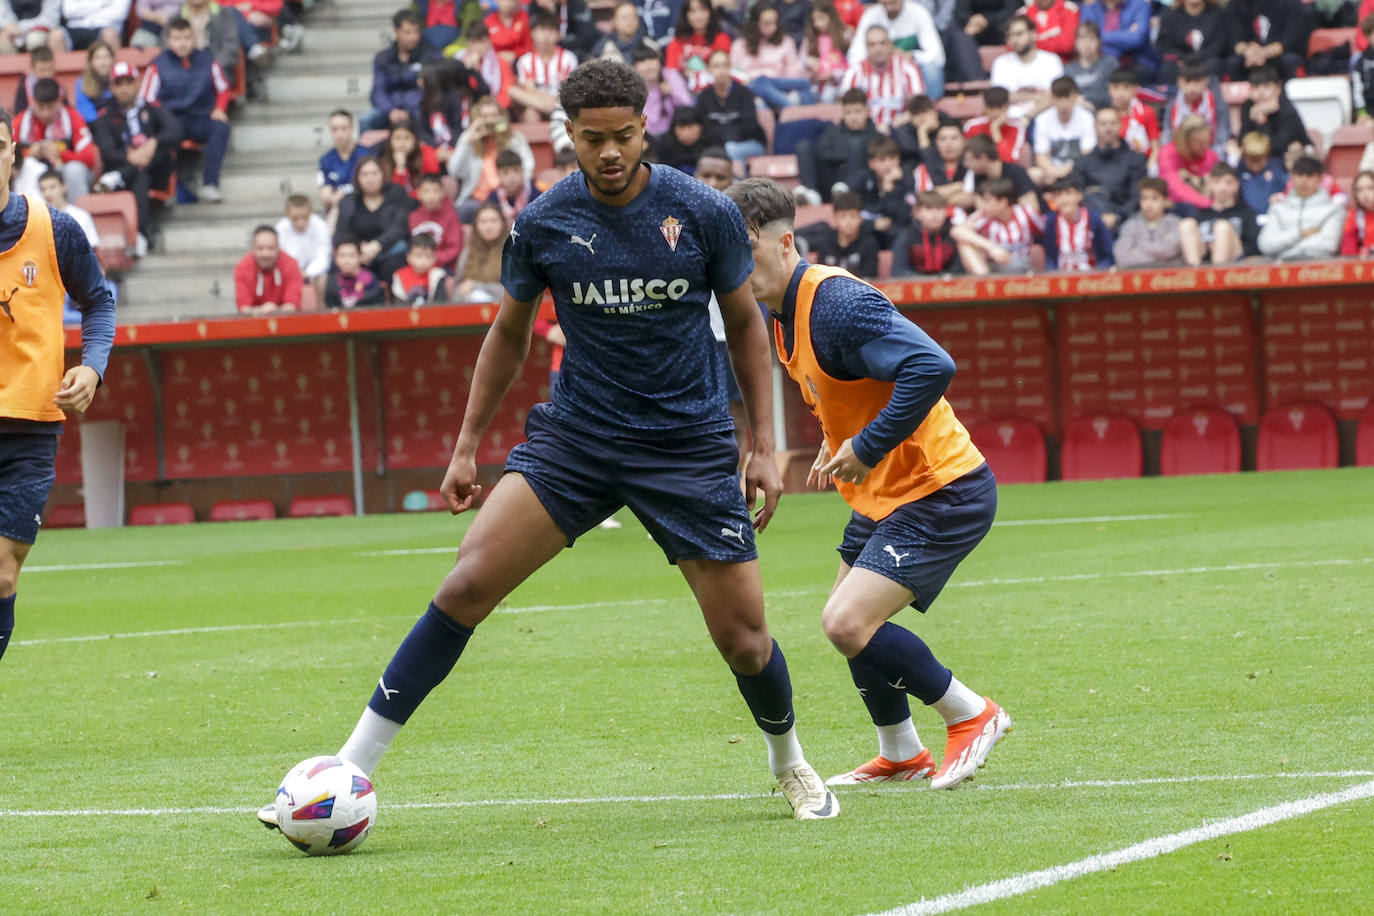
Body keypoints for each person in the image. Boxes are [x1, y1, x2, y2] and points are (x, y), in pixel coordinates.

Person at [255, 59, 840, 826]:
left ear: (644, 129)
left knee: (745, 641)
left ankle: (790, 763)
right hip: (578, 438)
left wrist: (764, 443)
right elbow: (508, 335)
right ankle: (344, 771)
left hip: (685, 443)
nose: (609, 152)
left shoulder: (704, 213)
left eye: (623, 137)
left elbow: (742, 327)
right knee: (464, 586)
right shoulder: (542, 222)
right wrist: (467, 445)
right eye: (592, 138)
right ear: (567, 133)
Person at [724, 176, 1009, 791]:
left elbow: (932, 365)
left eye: (743, 249)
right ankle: (901, 751)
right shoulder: (782, 312)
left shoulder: (833, 303)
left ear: (784, 243)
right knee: (847, 624)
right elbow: (856, 383)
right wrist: (838, 434)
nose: (732, 265)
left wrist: (868, 444)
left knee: (846, 623)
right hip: (888, 494)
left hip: (939, 488)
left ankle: (971, 713)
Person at [0, 105, 116, 665]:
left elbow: (98, 300)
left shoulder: (55, 228)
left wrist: (92, 366)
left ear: (12, 153)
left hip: (29, 428)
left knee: (2, 572)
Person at [139, 16, 231, 204]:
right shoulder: (158, 64)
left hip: (199, 117)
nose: (183, 43)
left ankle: (209, 185)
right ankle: (167, 189)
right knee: (161, 134)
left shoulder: (208, 59)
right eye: (177, 38)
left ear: (194, 38)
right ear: (168, 41)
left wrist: (220, 109)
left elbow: (223, 88)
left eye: (187, 38)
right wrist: (162, 118)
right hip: (171, 120)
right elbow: (147, 98)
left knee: (221, 127)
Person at [90, 61, 179, 251]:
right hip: (132, 173)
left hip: (156, 170)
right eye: (119, 84)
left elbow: (175, 130)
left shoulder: (151, 108)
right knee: (139, 175)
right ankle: (141, 234)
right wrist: (130, 158)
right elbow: (107, 150)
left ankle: (119, 176)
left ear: (137, 84)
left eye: (128, 83)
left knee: (163, 149)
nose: (124, 89)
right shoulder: (105, 115)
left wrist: (153, 143)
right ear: (112, 87)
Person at [447, 95, 535, 221]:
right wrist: (468, 142)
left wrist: (504, 136)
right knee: (461, 212)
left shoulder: (515, 138)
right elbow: (455, 172)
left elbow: (528, 167)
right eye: (485, 117)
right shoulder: (469, 139)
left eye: (494, 116)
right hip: (479, 201)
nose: (490, 121)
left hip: (510, 197)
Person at [334, 155, 417, 284]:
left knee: (395, 264)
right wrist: (359, 250)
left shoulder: (397, 192)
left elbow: (399, 227)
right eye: (365, 174)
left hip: (390, 250)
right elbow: (341, 233)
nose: (370, 178)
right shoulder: (348, 200)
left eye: (374, 173)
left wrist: (377, 245)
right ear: (357, 178)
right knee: (344, 265)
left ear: (382, 175)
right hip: (360, 256)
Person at [14, 77, 96, 200]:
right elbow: (6, 157)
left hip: (64, 174)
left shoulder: (72, 117)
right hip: (33, 177)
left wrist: (61, 154)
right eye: (41, 107)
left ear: (59, 102)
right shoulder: (21, 121)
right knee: (28, 166)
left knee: (75, 170)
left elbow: (90, 158)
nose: (46, 113)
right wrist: (28, 154)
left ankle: (77, 216)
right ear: (33, 102)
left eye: (50, 107)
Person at [846, 0, 943, 100]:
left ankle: (928, 108)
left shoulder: (919, 13)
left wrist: (910, 56)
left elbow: (937, 56)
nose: (889, 6)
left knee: (931, 70)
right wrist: (879, 54)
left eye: (892, 2)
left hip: (909, 70)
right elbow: (854, 55)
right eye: (886, 3)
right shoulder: (870, 15)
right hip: (877, 70)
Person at [731, 1, 815, 111]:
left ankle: (810, 116)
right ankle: (793, 111)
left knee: (804, 83)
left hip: (778, 83)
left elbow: (792, 72)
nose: (773, 27)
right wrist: (746, 79)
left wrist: (804, 66)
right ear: (755, 23)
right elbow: (735, 72)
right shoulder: (740, 44)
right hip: (752, 84)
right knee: (761, 83)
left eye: (775, 22)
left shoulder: (786, 41)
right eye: (767, 23)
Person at [952, 176, 1045, 274]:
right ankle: (983, 282)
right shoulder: (983, 216)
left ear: (1002, 202)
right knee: (965, 244)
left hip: (1022, 263)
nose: (981, 205)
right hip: (994, 265)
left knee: (1037, 250)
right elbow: (957, 231)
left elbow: (1045, 231)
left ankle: (1040, 284)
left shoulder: (1026, 213)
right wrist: (991, 247)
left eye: (987, 201)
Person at [1257, 156, 1344, 261]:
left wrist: (1288, 251)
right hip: (1281, 268)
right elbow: (1266, 245)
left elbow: (1329, 244)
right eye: (1299, 175)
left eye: (1309, 176)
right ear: (1291, 177)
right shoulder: (1278, 209)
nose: (1303, 181)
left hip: (1319, 268)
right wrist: (1300, 234)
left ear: (1320, 179)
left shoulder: (1333, 210)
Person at [1074, 105, 1146, 230]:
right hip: (1092, 221)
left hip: (1126, 221)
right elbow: (1078, 196)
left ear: (1120, 125)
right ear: (1095, 127)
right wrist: (1097, 217)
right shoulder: (1083, 162)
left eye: (1113, 123)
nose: (1108, 128)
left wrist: (1118, 216)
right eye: (1103, 124)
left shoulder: (1136, 159)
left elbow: (1137, 196)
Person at [839, 25, 927, 129]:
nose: (878, 49)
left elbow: (919, 108)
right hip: (865, 131)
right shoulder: (855, 71)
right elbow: (844, 107)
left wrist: (893, 125)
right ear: (866, 47)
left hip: (901, 130)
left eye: (882, 43)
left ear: (890, 45)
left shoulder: (908, 68)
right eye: (872, 44)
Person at [365, 9, 436, 132]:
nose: (413, 37)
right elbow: (378, 91)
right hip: (390, 109)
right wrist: (390, 110)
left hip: (418, 108)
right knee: (366, 120)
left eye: (416, 32)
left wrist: (410, 110)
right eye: (407, 32)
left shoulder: (430, 55)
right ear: (396, 31)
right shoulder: (383, 58)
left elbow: (433, 88)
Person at [1113, 177, 1203, 267]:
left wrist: (1139, 250)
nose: (1148, 204)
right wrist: (1158, 260)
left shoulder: (1176, 223)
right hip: (1140, 276)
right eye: (1144, 198)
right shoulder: (1131, 225)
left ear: (1165, 201)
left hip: (1173, 277)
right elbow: (1122, 256)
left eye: (1154, 198)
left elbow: (1169, 250)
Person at [697, 49, 768, 162]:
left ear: (730, 67)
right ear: (709, 69)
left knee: (730, 149)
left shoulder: (744, 93)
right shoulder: (704, 97)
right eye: (716, 66)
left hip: (750, 142)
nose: (721, 70)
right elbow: (705, 129)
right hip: (718, 145)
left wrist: (724, 134)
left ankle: (738, 180)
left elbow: (749, 126)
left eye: (725, 65)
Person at [842, 136, 914, 247]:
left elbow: (906, 217)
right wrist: (873, 224)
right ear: (871, 163)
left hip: (896, 233)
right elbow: (847, 211)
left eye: (892, 159)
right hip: (869, 232)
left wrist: (889, 190)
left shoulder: (907, 180)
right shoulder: (862, 179)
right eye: (882, 160)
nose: (888, 165)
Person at [989, 13, 1063, 120]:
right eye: (1010, 36)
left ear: (1033, 34)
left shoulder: (1051, 60)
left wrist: (1028, 116)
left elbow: (1055, 96)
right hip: (1011, 120)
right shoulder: (1001, 63)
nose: (1014, 40)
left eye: (1019, 34)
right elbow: (1001, 97)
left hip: (1045, 118)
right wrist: (1038, 97)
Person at [511, 12, 577, 121]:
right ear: (532, 33)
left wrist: (554, 103)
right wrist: (547, 105)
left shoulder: (568, 58)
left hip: (562, 104)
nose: (545, 36)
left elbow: (568, 90)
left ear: (558, 34)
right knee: (530, 112)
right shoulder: (525, 61)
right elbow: (530, 90)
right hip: (538, 104)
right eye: (541, 30)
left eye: (550, 31)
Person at [799, 189, 880, 276]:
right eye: (843, 216)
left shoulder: (869, 244)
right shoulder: (825, 243)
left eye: (853, 216)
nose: (848, 222)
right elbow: (820, 277)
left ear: (860, 218)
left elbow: (870, 279)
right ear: (835, 218)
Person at [1031, 75, 1095, 185]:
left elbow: (1087, 153)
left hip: (1078, 168)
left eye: (1067, 97)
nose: (1064, 103)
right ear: (1052, 99)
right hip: (1052, 171)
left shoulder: (1087, 117)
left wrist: (1065, 169)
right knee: (1033, 174)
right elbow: (1041, 155)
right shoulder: (1042, 119)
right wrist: (1052, 170)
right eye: (1059, 98)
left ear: (1075, 97)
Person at [1237, 66, 1311, 162]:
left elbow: (1277, 148)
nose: (1260, 93)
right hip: (1259, 159)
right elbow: (1243, 140)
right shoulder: (1249, 106)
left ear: (1278, 88)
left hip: (1290, 158)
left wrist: (1262, 121)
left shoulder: (1287, 109)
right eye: (1255, 87)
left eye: (1266, 86)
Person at [952, 133, 1039, 212]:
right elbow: (980, 206)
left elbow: (1031, 209)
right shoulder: (979, 176)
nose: (965, 165)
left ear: (983, 158)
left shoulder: (1016, 173)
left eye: (969, 160)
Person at [1226, 0, 1310, 82]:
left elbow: (1291, 40)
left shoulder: (1291, 3)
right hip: (1248, 56)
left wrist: (1264, 52)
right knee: (1233, 63)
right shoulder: (1236, 4)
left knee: (1289, 60)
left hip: (1280, 54)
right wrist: (1248, 51)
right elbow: (1235, 41)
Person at [1161, 59, 1230, 159]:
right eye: (1187, 82)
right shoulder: (1172, 105)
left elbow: (1223, 131)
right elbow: (1167, 134)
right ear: (1179, 82)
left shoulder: (1217, 102)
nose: (1192, 87)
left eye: (1197, 81)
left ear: (1206, 81)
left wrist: (1212, 155)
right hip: (1180, 153)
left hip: (1210, 151)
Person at [1042, 174, 1112, 270]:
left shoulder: (1093, 219)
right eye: (1058, 195)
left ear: (1079, 195)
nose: (1063, 200)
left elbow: (1106, 255)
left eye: (1068, 194)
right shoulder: (1051, 222)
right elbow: (1050, 258)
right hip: (1061, 278)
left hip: (1090, 278)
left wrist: (1099, 272)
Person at [1195, 163, 1259, 264]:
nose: (1222, 187)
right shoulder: (1201, 214)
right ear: (1210, 184)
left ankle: (1217, 276)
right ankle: (1193, 274)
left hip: (1236, 262)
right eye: (1217, 182)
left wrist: (1223, 244)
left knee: (1222, 227)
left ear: (1236, 185)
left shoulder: (1246, 212)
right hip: (1203, 259)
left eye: (1228, 182)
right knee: (1187, 225)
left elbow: (1253, 246)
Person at [664, 0, 732, 94]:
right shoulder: (676, 42)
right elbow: (672, 73)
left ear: (710, 12)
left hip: (714, 91)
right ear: (686, 15)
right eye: (693, 11)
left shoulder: (722, 39)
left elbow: (724, 70)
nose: (698, 16)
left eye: (702, 10)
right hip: (684, 92)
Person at [1156, 0, 1232, 83]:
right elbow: (1164, 44)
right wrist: (1181, 58)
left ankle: (1212, 95)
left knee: (1215, 65)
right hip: (1179, 62)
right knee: (1167, 68)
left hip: (1208, 60)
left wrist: (1197, 59)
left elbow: (1220, 44)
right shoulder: (1170, 14)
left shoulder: (1218, 13)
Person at [275, 194, 332, 302]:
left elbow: (323, 257)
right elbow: (280, 258)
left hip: (314, 272)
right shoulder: (280, 229)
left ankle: (320, 314)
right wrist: (295, 272)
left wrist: (308, 273)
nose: (301, 222)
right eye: (295, 218)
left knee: (323, 279)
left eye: (305, 217)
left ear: (310, 212)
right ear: (287, 215)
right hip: (289, 271)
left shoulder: (321, 226)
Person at [892, 190, 962, 276]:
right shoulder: (906, 236)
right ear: (917, 213)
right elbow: (899, 271)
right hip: (914, 286)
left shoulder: (953, 234)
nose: (934, 214)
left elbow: (959, 270)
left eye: (939, 208)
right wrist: (927, 282)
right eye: (928, 209)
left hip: (947, 287)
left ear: (946, 212)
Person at [234, 224, 302, 313]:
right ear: (253, 249)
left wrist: (271, 311)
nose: (266, 253)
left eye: (271, 248)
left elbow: (292, 305)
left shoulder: (291, 265)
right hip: (253, 322)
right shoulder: (242, 268)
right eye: (260, 248)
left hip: (287, 321)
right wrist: (262, 310)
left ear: (278, 248)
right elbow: (244, 309)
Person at [1077, 0, 1154, 77]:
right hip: (1099, 64)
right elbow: (1086, 40)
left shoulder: (1140, 5)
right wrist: (1126, 34)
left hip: (1135, 63)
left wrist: (1098, 36)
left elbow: (1136, 39)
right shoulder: (1090, 9)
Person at [1159, 115, 1218, 213]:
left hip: (1207, 207)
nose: (1206, 146)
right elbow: (1176, 190)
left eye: (1207, 141)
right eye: (1200, 143)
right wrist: (1209, 205)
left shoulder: (1210, 156)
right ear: (1185, 141)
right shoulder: (1167, 153)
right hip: (1178, 208)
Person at [451, 199, 507, 302]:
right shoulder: (468, 252)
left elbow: (515, 293)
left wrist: (478, 286)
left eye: (493, 221)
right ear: (476, 226)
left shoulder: (512, 252)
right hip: (470, 311)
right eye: (483, 222)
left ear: (502, 223)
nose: (488, 227)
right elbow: (458, 289)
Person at [408, 172, 463, 273]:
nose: (431, 196)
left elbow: (454, 248)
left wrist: (432, 259)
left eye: (435, 191)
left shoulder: (451, 216)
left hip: (442, 266)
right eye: (426, 191)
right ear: (418, 193)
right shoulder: (413, 216)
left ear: (442, 192)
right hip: (416, 264)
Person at [634, 45, 692, 138]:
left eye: (652, 59)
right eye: (643, 61)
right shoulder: (633, 86)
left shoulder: (670, 75)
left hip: (674, 134)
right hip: (646, 136)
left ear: (660, 62)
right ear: (635, 67)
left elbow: (688, 105)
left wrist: (672, 93)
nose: (649, 65)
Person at [317, 110, 367, 216]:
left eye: (344, 128)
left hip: (364, 207)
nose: (339, 134)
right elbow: (325, 195)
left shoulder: (367, 154)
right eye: (335, 129)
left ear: (351, 129)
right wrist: (332, 198)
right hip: (339, 209)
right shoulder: (325, 160)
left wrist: (344, 194)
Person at [1107, 66, 1158, 166]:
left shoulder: (1146, 113)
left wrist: (1149, 170)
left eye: (1126, 87)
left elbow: (1155, 147)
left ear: (1135, 89)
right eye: (1116, 87)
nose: (1120, 93)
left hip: (1140, 164)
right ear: (1109, 89)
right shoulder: (1105, 115)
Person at [961, 87, 1026, 165]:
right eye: (991, 108)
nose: (995, 112)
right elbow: (965, 157)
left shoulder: (1017, 128)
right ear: (984, 107)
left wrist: (995, 128)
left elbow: (1009, 160)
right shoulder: (971, 126)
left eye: (1000, 107)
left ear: (1008, 106)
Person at [377, 119, 440, 198]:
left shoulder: (427, 153)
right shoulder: (385, 161)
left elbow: (432, 184)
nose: (402, 143)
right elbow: (395, 195)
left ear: (415, 140)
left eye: (407, 138)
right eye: (397, 138)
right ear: (390, 141)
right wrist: (400, 168)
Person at [804, 0, 849, 101]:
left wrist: (833, 74)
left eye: (821, 18)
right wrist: (809, 63)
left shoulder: (843, 36)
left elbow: (849, 66)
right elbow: (803, 62)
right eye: (814, 20)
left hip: (837, 84)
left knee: (828, 94)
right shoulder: (812, 38)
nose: (817, 24)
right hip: (816, 84)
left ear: (831, 16)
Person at [651, 105, 717, 172]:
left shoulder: (713, 144)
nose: (686, 134)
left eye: (690, 127)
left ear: (701, 127)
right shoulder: (663, 145)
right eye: (681, 128)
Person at [324, 238, 385, 309]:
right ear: (335, 259)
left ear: (360, 257)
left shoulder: (370, 279)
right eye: (342, 256)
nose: (347, 261)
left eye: (351, 256)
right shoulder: (332, 283)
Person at [1063, 21, 1112, 110]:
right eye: (1082, 38)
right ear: (1075, 42)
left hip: (1103, 113)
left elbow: (1113, 96)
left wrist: (1085, 100)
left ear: (1099, 42)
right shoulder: (1068, 69)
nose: (1086, 43)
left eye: (1091, 38)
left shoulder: (1109, 64)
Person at [1237, 131, 1287, 216]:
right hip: (1247, 219)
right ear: (1244, 156)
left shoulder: (1277, 171)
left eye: (1259, 161)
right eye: (1252, 161)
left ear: (1267, 156)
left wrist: (1280, 198)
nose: (1255, 165)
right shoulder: (1238, 173)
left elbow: (1288, 192)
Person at [392, 233, 447, 305]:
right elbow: (400, 305)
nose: (423, 262)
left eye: (428, 257)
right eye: (418, 256)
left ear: (434, 258)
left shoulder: (437, 275)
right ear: (408, 257)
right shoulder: (399, 276)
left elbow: (440, 303)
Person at [592, 1, 656, 63]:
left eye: (633, 17)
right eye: (624, 17)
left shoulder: (650, 45)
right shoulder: (603, 47)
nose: (629, 21)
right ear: (614, 20)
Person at [915, 122, 967, 198]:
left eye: (954, 138)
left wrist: (937, 193)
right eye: (943, 139)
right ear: (936, 143)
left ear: (964, 141)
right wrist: (959, 186)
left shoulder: (973, 167)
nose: (948, 144)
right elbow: (924, 198)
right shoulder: (925, 168)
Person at [57, 0, 129, 50]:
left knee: (110, 35)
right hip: (75, 26)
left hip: (106, 26)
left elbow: (118, 14)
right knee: (56, 35)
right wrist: (102, 4)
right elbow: (68, 12)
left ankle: (111, 71)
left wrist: (83, 10)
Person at [0, 0, 66, 54]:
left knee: (34, 39)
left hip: (46, 28)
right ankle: (14, 69)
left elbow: (50, 19)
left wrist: (21, 28)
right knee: (3, 40)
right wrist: (8, 25)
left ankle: (42, 69)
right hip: (16, 33)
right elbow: (4, 14)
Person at [73, 39, 114, 123]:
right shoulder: (82, 84)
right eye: (98, 58)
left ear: (112, 60)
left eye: (106, 57)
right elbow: (87, 116)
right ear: (90, 62)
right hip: (94, 128)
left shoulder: (119, 81)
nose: (103, 63)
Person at [13, 45, 60, 114]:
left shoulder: (60, 89)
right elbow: (19, 114)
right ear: (33, 69)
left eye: (49, 70)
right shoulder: (24, 89)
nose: (46, 75)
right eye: (42, 70)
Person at [483, 0, 531, 64]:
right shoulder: (488, 22)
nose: (507, 3)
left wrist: (515, 54)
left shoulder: (525, 18)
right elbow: (483, 46)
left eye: (511, 0)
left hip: (521, 62)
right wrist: (498, 56)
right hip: (495, 64)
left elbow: (531, 45)